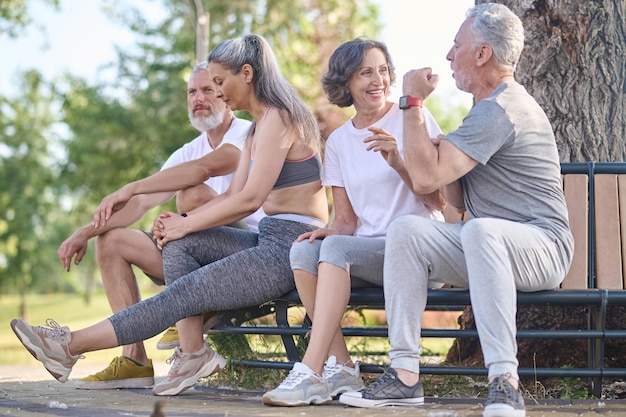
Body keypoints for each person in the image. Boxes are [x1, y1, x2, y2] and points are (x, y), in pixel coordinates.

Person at [11, 33, 329, 397]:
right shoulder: (258, 128)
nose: (218, 92)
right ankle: (194, 353)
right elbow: (231, 194)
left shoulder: (278, 118)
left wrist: (185, 220)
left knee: (180, 292)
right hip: (266, 240)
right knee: (181, 244)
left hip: (292, 247)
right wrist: (177, 227)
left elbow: (249, 199)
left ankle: (69, 345)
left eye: (220, 83)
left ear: (247, 74)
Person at [338, 4, 574, 417]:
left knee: (482, 231)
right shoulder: (481, 112)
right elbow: (458, 201)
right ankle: (405, 375)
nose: (448, 55)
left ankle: (504, 381)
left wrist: (411, 102)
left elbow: (426, 182)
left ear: (482, 54)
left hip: (542, 248)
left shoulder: (502, 108)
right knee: (408, 231)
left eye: (456, 45)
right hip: (490, 247)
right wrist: (440, 152)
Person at [56, 61, 263, 390]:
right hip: (194, 257)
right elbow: (139, 204)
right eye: (191, 92)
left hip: (246, 257)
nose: (199, 98)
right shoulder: (187, 151)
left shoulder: (247, 133)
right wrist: (85, 231)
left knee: (190, 196)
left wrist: (144, 193)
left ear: (225, 94)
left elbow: (206, 169)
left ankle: (196, 314)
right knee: (111, 241)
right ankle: (133, 359)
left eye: (208, 89)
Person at [262, 38, 446, 407]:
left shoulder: (413, 117)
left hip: (419, 250)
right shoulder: (340, 141)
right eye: (365, 72)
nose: (377, 80)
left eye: (382, 70)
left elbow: (440, 201)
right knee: (304, 252)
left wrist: (398, 162)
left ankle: (310, 369)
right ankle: (342, 365)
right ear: (346, 83)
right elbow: (346, 221)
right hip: (369, 253)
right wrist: (327, 232)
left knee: (334, 249)